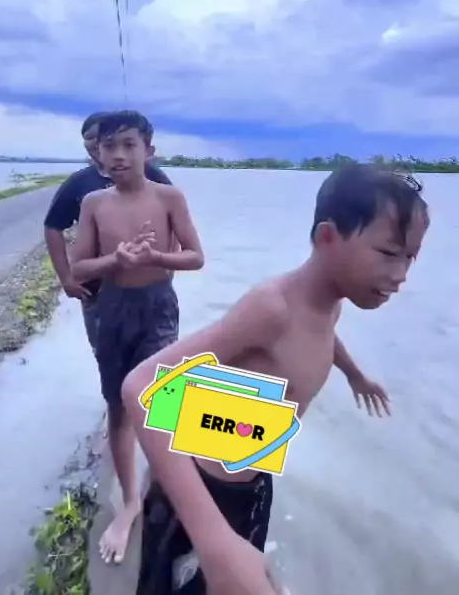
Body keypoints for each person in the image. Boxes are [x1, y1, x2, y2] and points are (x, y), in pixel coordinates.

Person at [121, 164, 430, 595]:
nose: (401, 275)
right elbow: (140, 387)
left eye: (410, 257)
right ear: (327, 238)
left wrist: (355, 374)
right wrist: (213, 539)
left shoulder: (330, 301)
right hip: (201, 491)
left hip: (252, 478)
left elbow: (323, 334)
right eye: (389, 253)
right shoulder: (271, 308)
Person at [70, 110, 205, 566]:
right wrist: (116, 260)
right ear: (98, 153)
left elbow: (196, 256)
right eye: (109, 146)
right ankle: (129, 503)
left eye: (129, 145)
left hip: (158, 309)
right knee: (118, 406)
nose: (119, 155)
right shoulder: (93, 203)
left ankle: (171, 491)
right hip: (113, 310)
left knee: (161, 401)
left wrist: (156, 256)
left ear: (149, 150)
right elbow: (79, 268)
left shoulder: (169, 197)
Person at [44, 111, 173, 351]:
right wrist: (66, 279)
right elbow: (53, 227)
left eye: (100, 137)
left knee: (158, 361)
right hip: (96, 292)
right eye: (89, 140)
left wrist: (168, 269)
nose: (94, 144)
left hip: (149, 293)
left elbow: (173, 224)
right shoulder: (79, 184)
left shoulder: (155, 178)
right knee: (108, 358)